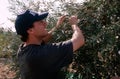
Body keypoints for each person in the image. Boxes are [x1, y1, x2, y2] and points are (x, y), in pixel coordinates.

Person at [15, 9, 85, 79]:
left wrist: (57, 27)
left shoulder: (23, 49)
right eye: (40, 22)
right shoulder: (41, 55)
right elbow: (79, 40)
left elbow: (43, 40)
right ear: (30, 30)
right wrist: (74, 24)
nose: (45, 23)